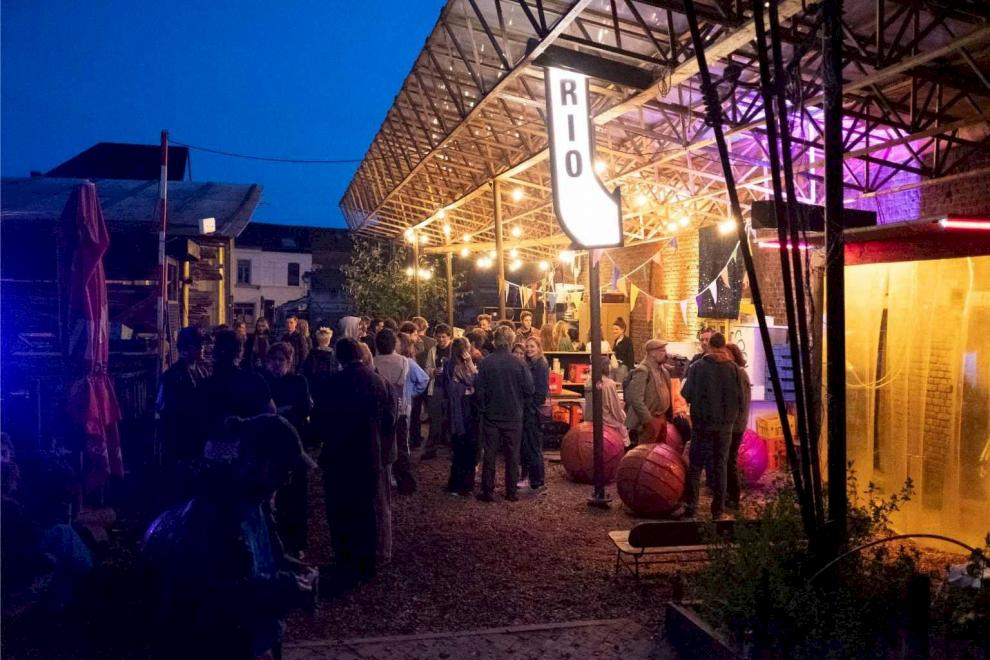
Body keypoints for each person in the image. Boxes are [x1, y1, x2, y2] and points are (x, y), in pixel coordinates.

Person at [143, 414, 318, 659]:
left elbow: (265, 557)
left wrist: (296, 571)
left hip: (251, 641)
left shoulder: (257, 505)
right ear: (259, 464)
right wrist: (281, 588)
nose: (288, 480)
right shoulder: (213, 514)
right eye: (285, 470)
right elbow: (214, 597)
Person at [313, 338, 395, 587]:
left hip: (339, 455)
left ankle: (345, 560)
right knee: (366, 508)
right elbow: (389, 420)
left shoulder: (332, 383)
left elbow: (319, 421)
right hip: (369, 454)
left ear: (339, 357)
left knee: (340, 510)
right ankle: (366, 562)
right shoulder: (379, 382)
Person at [680, 332, 742, 520]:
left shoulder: (698, 367)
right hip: (725, 427)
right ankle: (718, 509)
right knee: (720, 465)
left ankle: (691, 506)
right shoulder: (733, 369)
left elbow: (686, 393)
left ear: (710, 346)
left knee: (696, 465)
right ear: (723, 346)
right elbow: (740, 397)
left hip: (702, 424)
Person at [263, 343, 313, 558]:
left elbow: (304, 408)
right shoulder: (263, 381)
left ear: (289, 362)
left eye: (281, 360)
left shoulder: (298, 381)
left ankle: (296, 542)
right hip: (269, 446)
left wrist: (278, 411)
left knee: (295, 496)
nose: (276, 364)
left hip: (293, 445)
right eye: (273, 360)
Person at [474, 325, 534, 502]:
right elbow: (529, 389)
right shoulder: (520, 363)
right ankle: (511, 492)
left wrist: (483, 407)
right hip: (514, 415)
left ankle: (487, 491)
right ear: (511, 341)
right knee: (512, 455)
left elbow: (479, 389)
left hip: (491, 415)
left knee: (490, 454)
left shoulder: (486, 362)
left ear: (495, 341)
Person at [157, 327, 209, 500]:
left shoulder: (202, 372)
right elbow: (163, 411)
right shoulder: (172, 377)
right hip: (180, 444)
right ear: (186, 349)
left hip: (197, 443)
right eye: (198, 345)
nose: (202, 348)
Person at [374, 329, 428, 495]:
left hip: (380, 410)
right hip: (401, 408)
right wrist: (411, 394)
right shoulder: (405, 362)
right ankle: (403, 480)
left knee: (382, 445)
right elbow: (423, 379)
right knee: (401, 446)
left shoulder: (373, 362)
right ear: (394, 344)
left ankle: (385, 478)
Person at [202, 330, 275, 449]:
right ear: (240, 353)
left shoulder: (205, 384)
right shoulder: (255, 380)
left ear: (215, 353)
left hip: (215, 451)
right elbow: (271, 411)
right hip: (249, 447)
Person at [443, 338, 479, 496]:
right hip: (465, 413)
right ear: (464, 351)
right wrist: (470, 363)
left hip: (454, 413)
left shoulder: (448, 365)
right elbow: (475, 381)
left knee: (457, 450)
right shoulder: (461, 367)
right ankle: (465, 486)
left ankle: (454, 484)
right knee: (468, 450)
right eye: (468, 347)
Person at [624, 339, 674, 447]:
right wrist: (648, 420)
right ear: (652, 353)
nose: (666, 354)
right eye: (662, 351)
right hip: (649, 420)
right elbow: (636, 399)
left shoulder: (663, 371)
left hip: (662, 418)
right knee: (646, 451)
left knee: (659, 450)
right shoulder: (643, 370)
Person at [725, 343, 752, 511]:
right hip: (735, 423)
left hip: (735, 425)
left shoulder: (739, 373)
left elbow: (740, 400)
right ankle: (730, 495)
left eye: (727, 354)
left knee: (730, 460)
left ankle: (734, 497)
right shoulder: (735, 372)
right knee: (728, 460)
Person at [520, 336, 549, 490]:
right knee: (530, 444)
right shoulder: (530, 363)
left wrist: (530, 406)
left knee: (533, 445)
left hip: (533, 410)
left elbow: (541, 391)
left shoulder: (541, 364)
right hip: (530, 409)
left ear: (538, 348)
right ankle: (533, 478)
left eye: (532, 346)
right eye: (527, 346)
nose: (529, 349)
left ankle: (536, 479)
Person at [422, 323, 453, 461]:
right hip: (437, 387)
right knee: (435, 419)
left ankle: (451, 448)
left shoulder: (453, 350)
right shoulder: (433, 350)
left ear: (449, 337)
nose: (441, 340)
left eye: (443, 337)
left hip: (451, 388)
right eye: (439, 337)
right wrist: (433, 371)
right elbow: (427, 368)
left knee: (451, 418)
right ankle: (431, 448)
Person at [409, 317, 436, 452]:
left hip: (414, 379)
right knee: (431, 410)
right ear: (425, 327)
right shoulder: (432, 342)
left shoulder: (410, 342)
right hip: (429, 379)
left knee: (415, 410)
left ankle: (415, 437)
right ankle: (432, 439)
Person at [611, 317, 635, 384]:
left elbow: (631, 357)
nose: (614, 331)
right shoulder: (616, 340)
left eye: (616, 329)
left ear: (622, 330)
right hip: (614, 367)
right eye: (613, 329)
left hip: (622, 368)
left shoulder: (627, 341)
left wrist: (631, 372)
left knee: (620, 386)